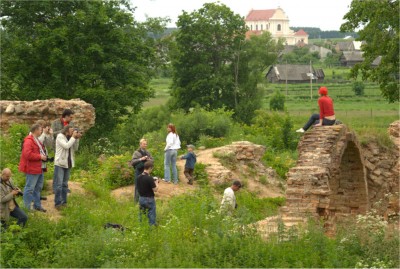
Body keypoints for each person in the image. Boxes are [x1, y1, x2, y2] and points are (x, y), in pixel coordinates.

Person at [19, 124, 48, 212]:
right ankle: (26, 207)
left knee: (38, 188)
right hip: (32, 168)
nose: (41, 132)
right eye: (40, 130)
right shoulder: (29, 140)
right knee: (29, 188)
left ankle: (37, 205)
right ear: (35, 130)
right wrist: (40, 157)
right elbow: (27, 154)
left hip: (39, 167)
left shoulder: (36, 140)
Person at [53, 125, 80, 209]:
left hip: (68, 163)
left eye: (73, 131)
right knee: (59, 185)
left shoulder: (71, 138)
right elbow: (66, 146)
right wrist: (73, 137)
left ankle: (64, 202)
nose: (72, 132)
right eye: (71, 131)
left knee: (65, 184)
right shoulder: (60, 136)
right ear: (66, 130)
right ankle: (57, 203)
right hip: (60, 163)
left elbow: (75, 148)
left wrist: (77, 138)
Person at [130, 138, 153, 203]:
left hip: (146, 172)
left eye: (146, 144)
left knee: (146, 186)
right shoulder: (136, 152)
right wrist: (141, 159)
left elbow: (152, 160)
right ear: (140, 144)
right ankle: (136, 202)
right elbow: (133, 162)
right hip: (139, 171)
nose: (145, 145)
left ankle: (145, 202)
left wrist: (149, 159)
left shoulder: (147, 152)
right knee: (137, 186)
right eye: (144, 144)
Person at [137, 161, 159, 226]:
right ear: (150, 168)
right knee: (151, 214)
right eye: (152, 169)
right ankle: (152, 228)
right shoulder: (149, 178)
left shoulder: (138, 177)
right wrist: (156, 182)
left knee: (141, 214)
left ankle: (140, 226)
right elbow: (155, 189)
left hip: (141, 198)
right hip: (149, 199)